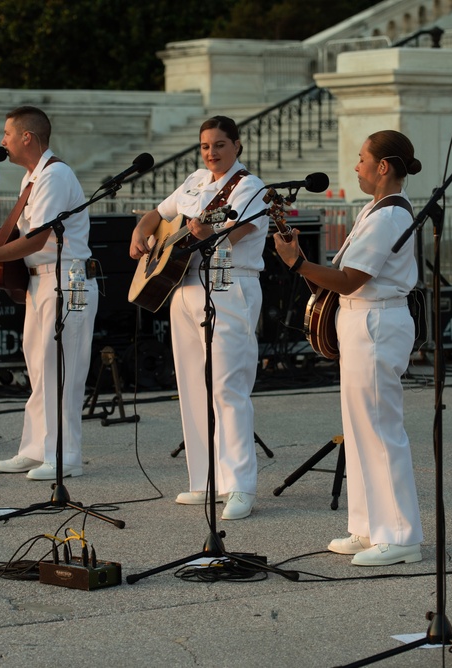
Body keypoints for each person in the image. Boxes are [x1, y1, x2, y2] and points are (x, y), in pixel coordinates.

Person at [273, 130, 424, 566]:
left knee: (380, 430)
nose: (355, 166)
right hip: (360, 318)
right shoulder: (373, 209)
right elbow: (341, 274)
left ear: (383, 167)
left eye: (362, 159)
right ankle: (367, 525)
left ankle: (401, 535)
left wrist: (296, 263)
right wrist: (303, 262)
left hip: (377, 319)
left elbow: (351, 279)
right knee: (358, 430)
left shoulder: (389, 216)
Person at [129, 116, 268, 520]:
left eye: (220, 145)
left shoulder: (249, 186)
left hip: (229, 284)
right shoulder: (193, 179)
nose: (211, 152)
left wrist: (207, 230)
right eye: (206, 145)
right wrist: (142, 232)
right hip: (183, 285)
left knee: (228, 386)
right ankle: (205, 480)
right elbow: (157, 214)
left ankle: (240, 485)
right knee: (192, 385)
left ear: (237, 146)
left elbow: (236, 231)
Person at [0, 106, 98, 481]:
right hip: (41, 281)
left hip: (65, 280)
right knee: (38, 365)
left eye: (6, 133)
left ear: (27, 138)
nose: (1, 140)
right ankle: (37, 448)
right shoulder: (31, 179)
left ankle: (66, 455)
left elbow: (35, 239)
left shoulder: (55, 175)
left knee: (60, 369)